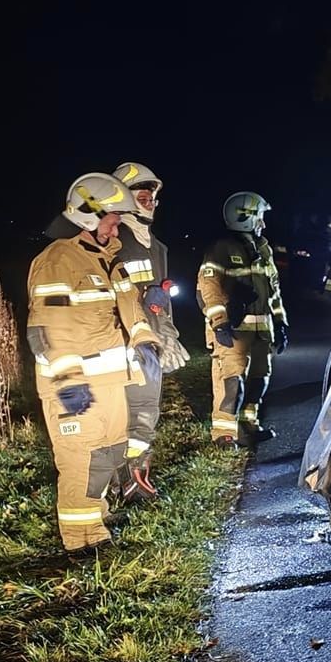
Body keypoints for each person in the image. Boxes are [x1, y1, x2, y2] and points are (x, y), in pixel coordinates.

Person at [26, 173, 160, 554]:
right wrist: (67, 381)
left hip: (111, 383)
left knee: (106, 456)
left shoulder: (109, 262)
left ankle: (94, 528)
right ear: (89, 214)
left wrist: (146, 342)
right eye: (113, 216)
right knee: (80, 462)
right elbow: (46, 329)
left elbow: (131, 308)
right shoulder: (57, 262)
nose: (118, 224)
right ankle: (80, 544)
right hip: (74, 386)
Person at [110, 161, 189, 498]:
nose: (150, 201)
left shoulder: (154, 245)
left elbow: (162, 299)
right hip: (123, 343)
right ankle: (121, 482)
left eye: (152, 196)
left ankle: (136, 475)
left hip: (151, 342)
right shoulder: (112, 241)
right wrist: (143, 298)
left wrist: (168, 336)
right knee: (127, 414)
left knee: (145, 414)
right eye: (141, 196)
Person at [197, 192, 289, 444]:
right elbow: (209, 288)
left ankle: (249, 425)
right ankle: (225, 434)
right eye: (260, 217)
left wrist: (281, 323)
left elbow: (274, 291)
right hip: (234, 331)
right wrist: (220, 323)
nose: (264, 223)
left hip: (261, 332)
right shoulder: (221, 249)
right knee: (233, 383)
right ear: (245, 218)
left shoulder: (263, 248)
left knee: (259, 380)